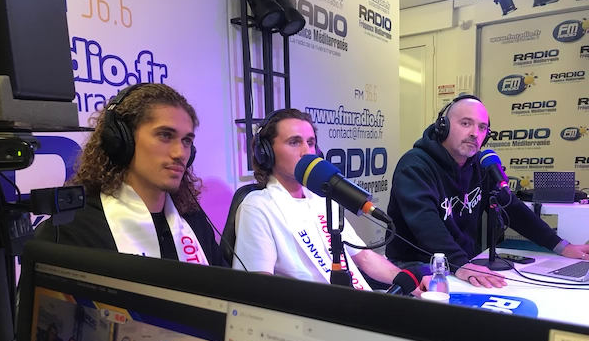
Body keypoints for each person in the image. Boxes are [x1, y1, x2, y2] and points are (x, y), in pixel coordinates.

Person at [385, 94, 589, 288]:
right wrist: (459, 263)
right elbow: (425, 222)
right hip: (413, 266)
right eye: (466, 123)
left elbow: (511, 208)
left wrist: (562, 246)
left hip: (460, 263)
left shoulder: (480, 166)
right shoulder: (415, 166)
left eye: (482, 127)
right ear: (443, 126)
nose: (475, 133)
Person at [232, 109, 429, 292]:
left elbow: (364, 257)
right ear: (266, 152)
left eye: (310, 143)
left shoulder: (322, 197)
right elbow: (258, 287)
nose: (307, 152)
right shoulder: (257, 207)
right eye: (294, 142)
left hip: (349, 304)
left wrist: (413, 283)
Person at [34, 83, 227, 267]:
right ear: (121, 141)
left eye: (186, 141)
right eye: (165, 135)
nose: (180, 153)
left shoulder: (193, 222)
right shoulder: (70, 231)